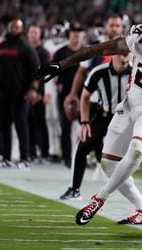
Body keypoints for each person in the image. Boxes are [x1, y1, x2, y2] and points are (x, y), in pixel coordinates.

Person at [34, 0, 142, 225]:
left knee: (136, 150)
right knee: (108, 164)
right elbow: (100, 49)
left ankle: (99, 199)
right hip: (129, 103)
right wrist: (62, 64)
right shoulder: (141, 36)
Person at [59, 54, 131, 200]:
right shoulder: (98, 66)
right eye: (121, 54)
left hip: (127, 116)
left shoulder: (136, 71)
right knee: (83, 145)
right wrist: (84, 122)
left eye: (127, 54)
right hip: (102, 112)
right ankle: (75, 189)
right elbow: (84, 90)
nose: (124, 58)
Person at [0, 17, 40, 168]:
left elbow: (37, 71)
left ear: (21, 29)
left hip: (20, 94)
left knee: (21, 126)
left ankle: (24, 158)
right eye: (12, 27)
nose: (14, 29)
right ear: (7, 27)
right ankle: (6, 158)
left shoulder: (26, 48)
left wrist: (33, 89)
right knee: (3, 127)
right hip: (1, 94)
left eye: (17, 27)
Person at [51, 21, 86, 168]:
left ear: (82, 34)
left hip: (84, 94)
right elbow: (53, 72)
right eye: (74, 31)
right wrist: (55, 84)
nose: (76, 34)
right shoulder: (60, 52)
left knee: (86, 125)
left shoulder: (87, 51)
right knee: (65, 127)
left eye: (79, 31)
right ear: (69, 34)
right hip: (65, 95)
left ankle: (83, 157)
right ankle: (66, 157)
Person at [26, 24, 51, 163]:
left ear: (40, 35)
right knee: (28, 123)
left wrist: (41, 92)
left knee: (40, 123)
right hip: (27, 92)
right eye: (31, 32)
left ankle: (45, 153)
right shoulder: (26, 50)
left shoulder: (44, 52)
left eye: (36, 32)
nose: (33, 35)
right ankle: (32, 152)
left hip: (39, 93)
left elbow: (45, 74)